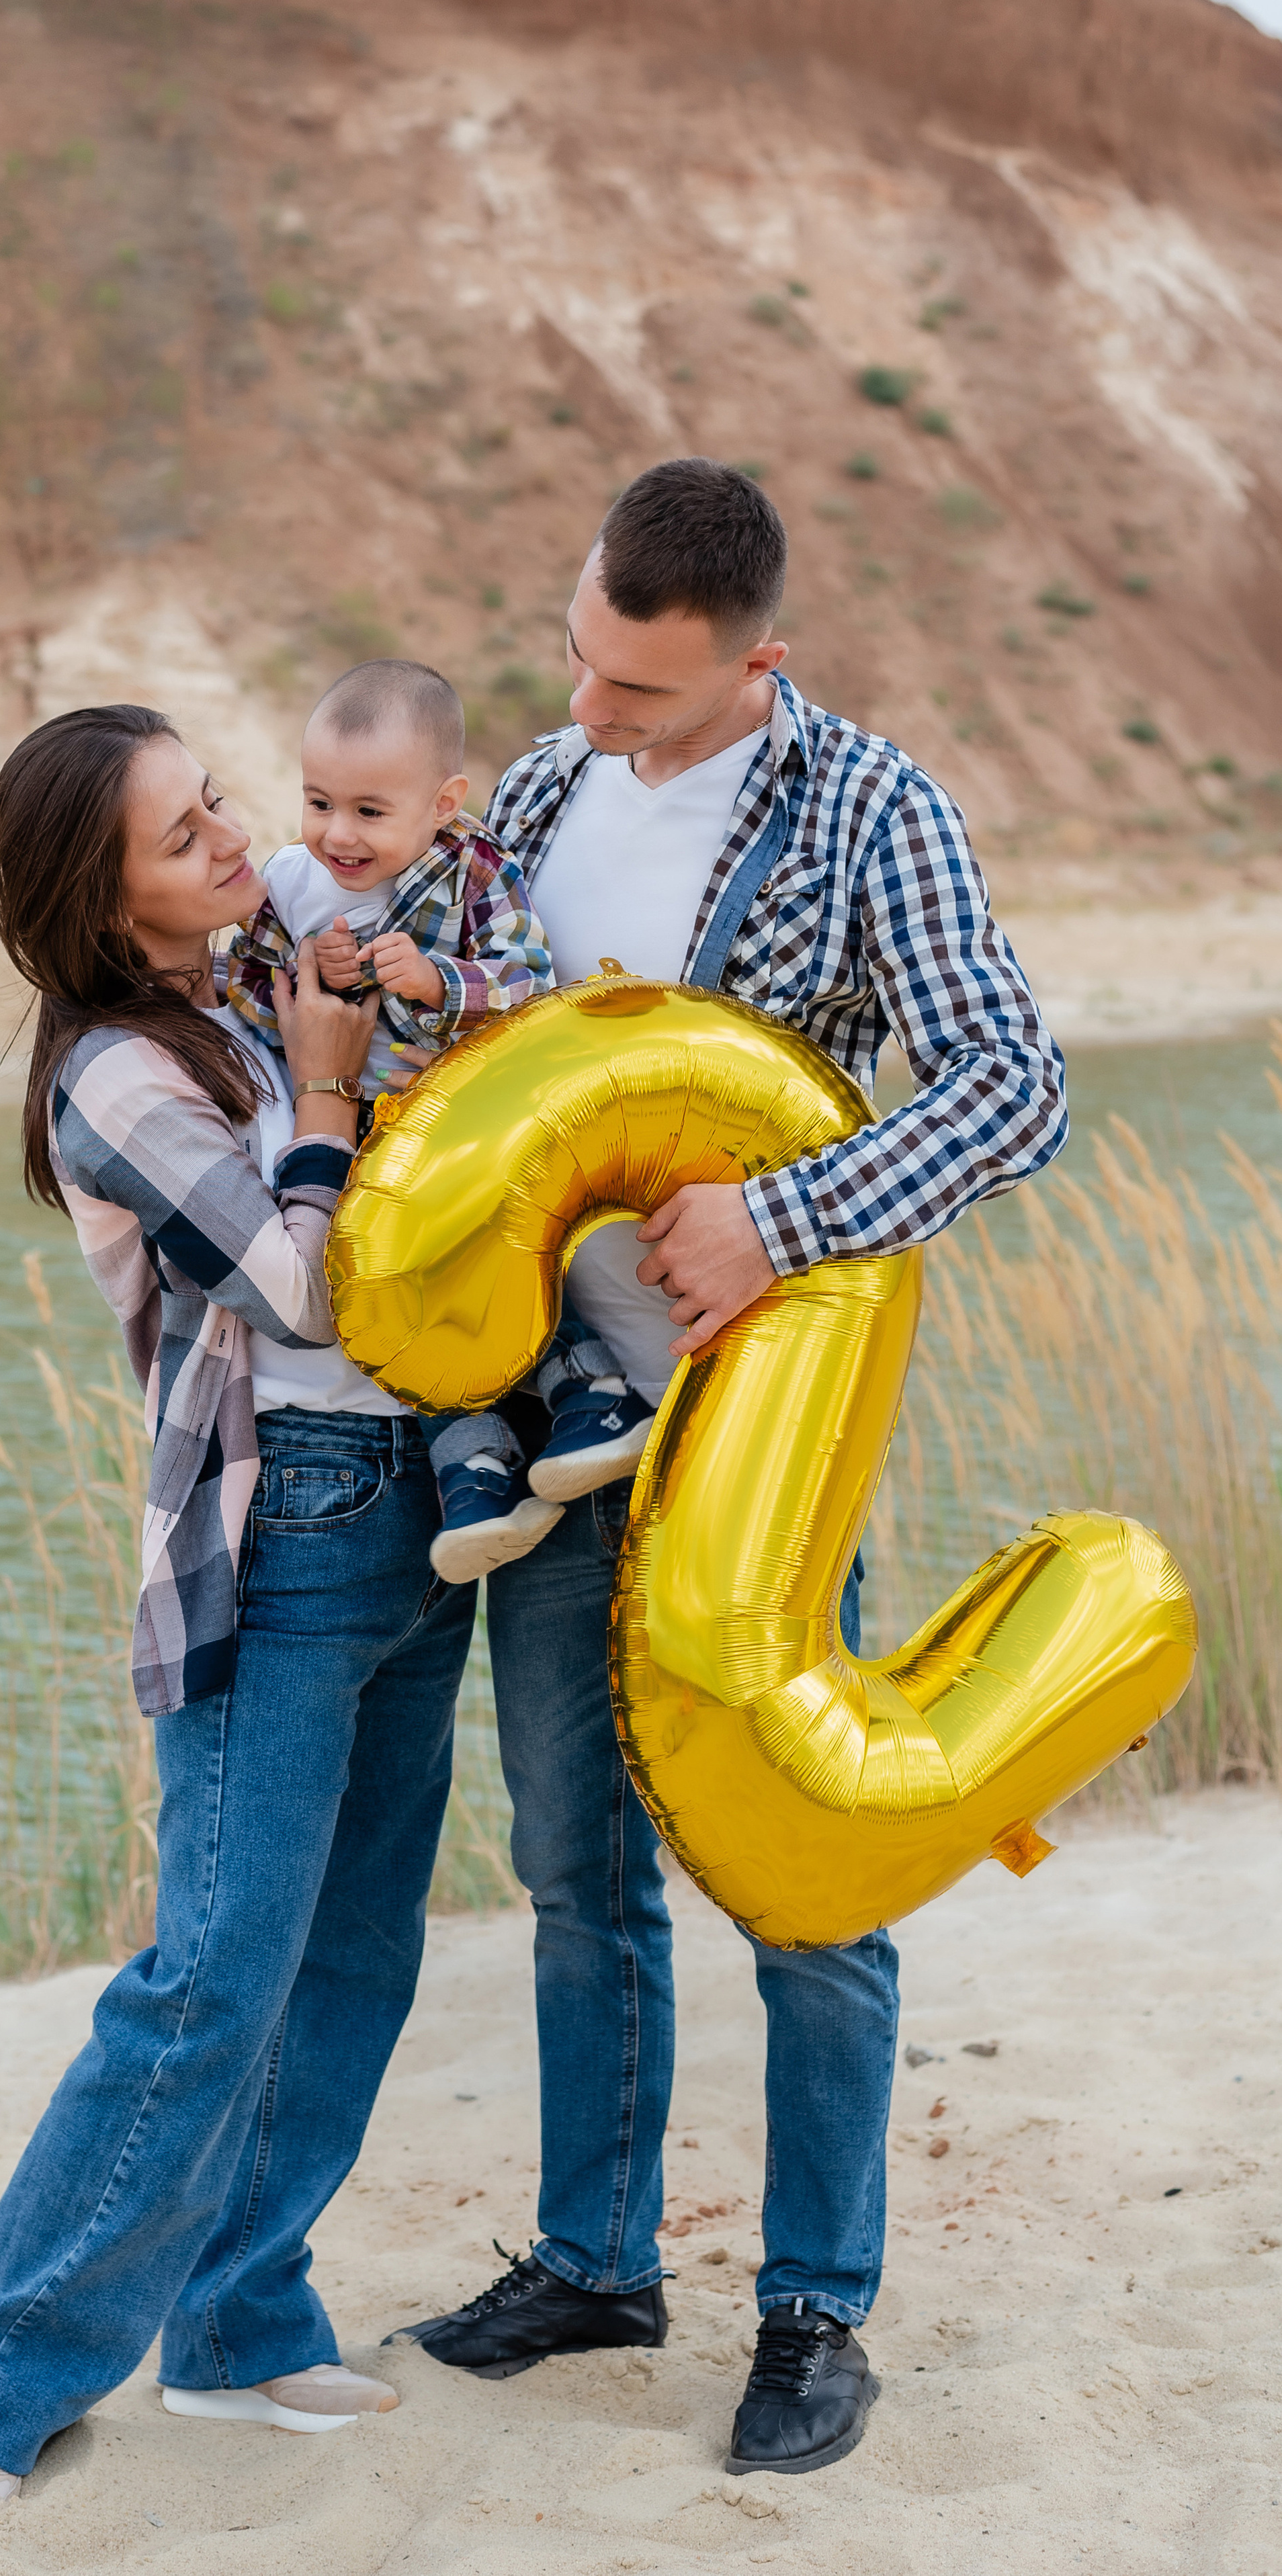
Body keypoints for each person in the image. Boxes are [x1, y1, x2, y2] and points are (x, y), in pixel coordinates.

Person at [386, 457, 1068, 2479]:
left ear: (757, 665)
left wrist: (783, 1215)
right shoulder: (525, 787)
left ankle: (815, 2308)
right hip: (565, 1434)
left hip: (764, 1425)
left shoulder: (877, 809)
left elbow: (1013, 1085)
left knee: (795, 1869)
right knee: (576, 1859)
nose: (590, 716)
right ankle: (598, 2257)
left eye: (643, 695)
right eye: (580, 662)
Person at [0, 702, 480, 2526]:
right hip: (283, 1539)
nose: (230, 834)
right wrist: (323, 1089)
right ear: (104, 899)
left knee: (360, 1954)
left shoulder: (261, 969)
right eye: (182, 833)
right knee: (212, 1979)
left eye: (214, 797)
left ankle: (237, 2319)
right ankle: (0, 2383)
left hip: (414, 1519)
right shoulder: (116, 1080)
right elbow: (302, 1289)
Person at [226, 655, 657, 1586]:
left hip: (457, 1122)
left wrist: (438, 981)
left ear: (443, 802)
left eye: (370, 812)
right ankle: (474, 1464)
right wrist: (308, 972)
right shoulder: (290, 885)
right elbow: (251, 1001)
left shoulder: (474, 874)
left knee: (490, 1257)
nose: (338, 834)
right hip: (359, 1141)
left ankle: (590, 1388)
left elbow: (534, 986)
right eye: (318, 802)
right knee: (396, 1291)